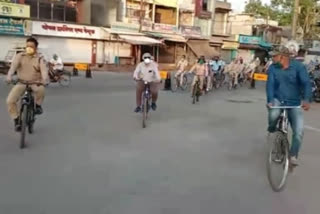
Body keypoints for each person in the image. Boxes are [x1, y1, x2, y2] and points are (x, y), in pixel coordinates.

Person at [267, 45, 312, 166]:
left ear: (282, 57)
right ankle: (272, 130)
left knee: (299, 131)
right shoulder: (272, 68)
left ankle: (293, 155)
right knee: (273, 115)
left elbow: (306, 83)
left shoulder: (299, 67)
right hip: (278, 99)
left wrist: (307, 99)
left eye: (274, 56)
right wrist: (270, 100)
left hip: (294, 103)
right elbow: (270, 85)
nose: (272, 58)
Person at [6, 37, 48, 131]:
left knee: (41, 89)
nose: (28, 48)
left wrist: (44, 79)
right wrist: (9, 76)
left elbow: (44, 71)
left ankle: (37, 106)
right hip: (22, 82)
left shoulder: (40, 58)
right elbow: (13, 68)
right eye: (27, 46)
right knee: (10, 101)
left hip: (35, 82)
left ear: (36, 48)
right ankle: (16, 120)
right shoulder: (20, 56)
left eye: (31, 46)